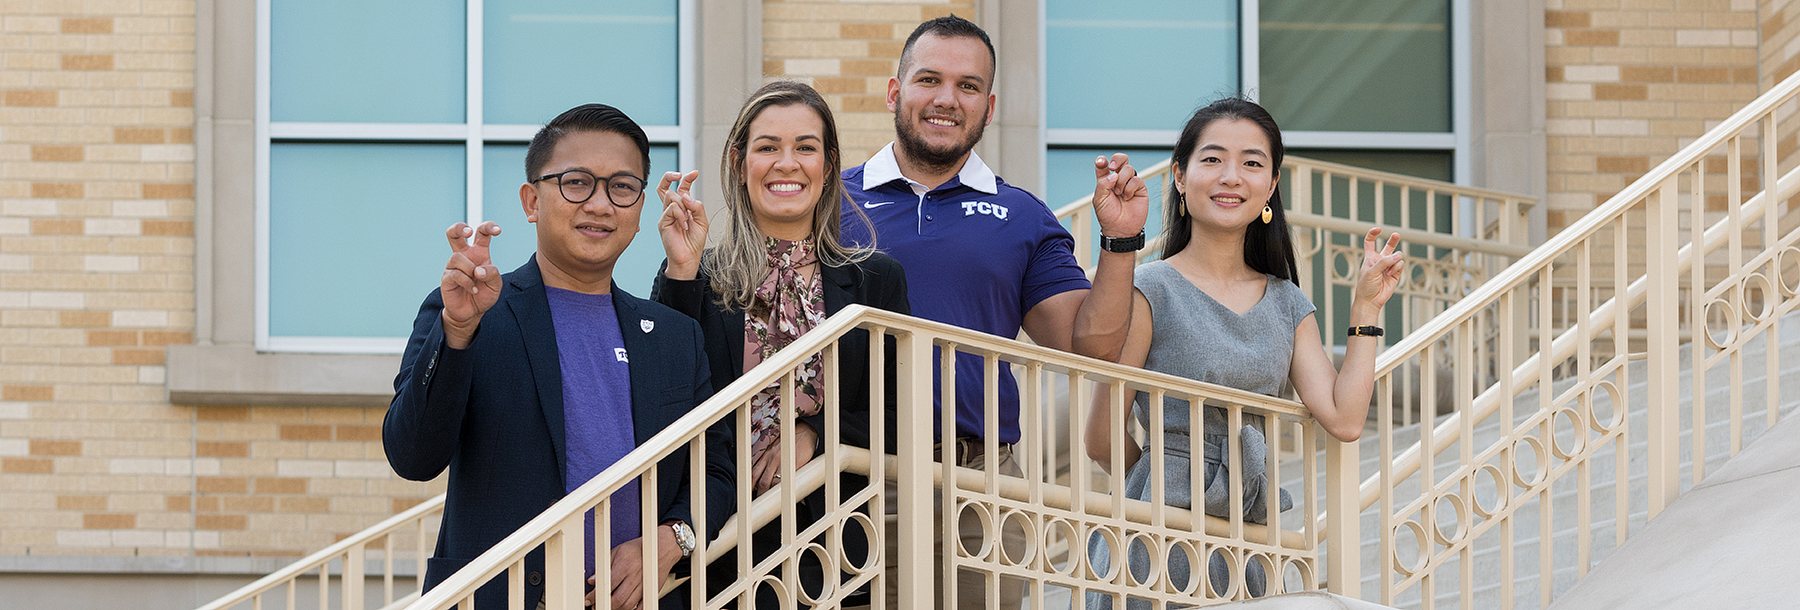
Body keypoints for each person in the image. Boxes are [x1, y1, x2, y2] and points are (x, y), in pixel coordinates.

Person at [838, 14, 1146, 609]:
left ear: (989, 105)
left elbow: (1090, 348)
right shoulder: (831, 202)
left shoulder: (1023, 215)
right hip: (855, 475)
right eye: (929, 79)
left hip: (980, 486)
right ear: (895, 91)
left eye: (968, 86)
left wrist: (1120, 240)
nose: (947, 99)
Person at [384, 103, 733, 610]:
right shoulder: (472, 312)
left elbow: (715, 470)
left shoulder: (675, 336)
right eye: (576, 183)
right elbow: (413, 457)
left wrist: (671, 538)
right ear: (532, 201)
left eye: (621, 187)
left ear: (640, 209)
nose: (600, 204)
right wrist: (457, 332)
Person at [1079, 98, 1404, 607]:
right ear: (1180, 176)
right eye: (1212, 159)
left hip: (1248, 533)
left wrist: (1366, 308)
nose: (1231, 176)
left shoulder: (1287, 303)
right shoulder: (1149, 288)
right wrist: (1169, 482)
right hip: (1156, 536)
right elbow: (1101, 438)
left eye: (1252, 163)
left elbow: (1344, 418)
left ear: (1271, 186)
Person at [651, 81, 910, 608]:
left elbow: (903, 414)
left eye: (805, 148)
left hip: (835, 550)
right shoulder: (697, 273)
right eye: (768, 147)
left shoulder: (875, 280)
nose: (786, 163)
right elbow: (662, 401)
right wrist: (681, 271)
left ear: (829, 165)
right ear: (739, 162)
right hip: (720, 549)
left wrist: (816, 432)